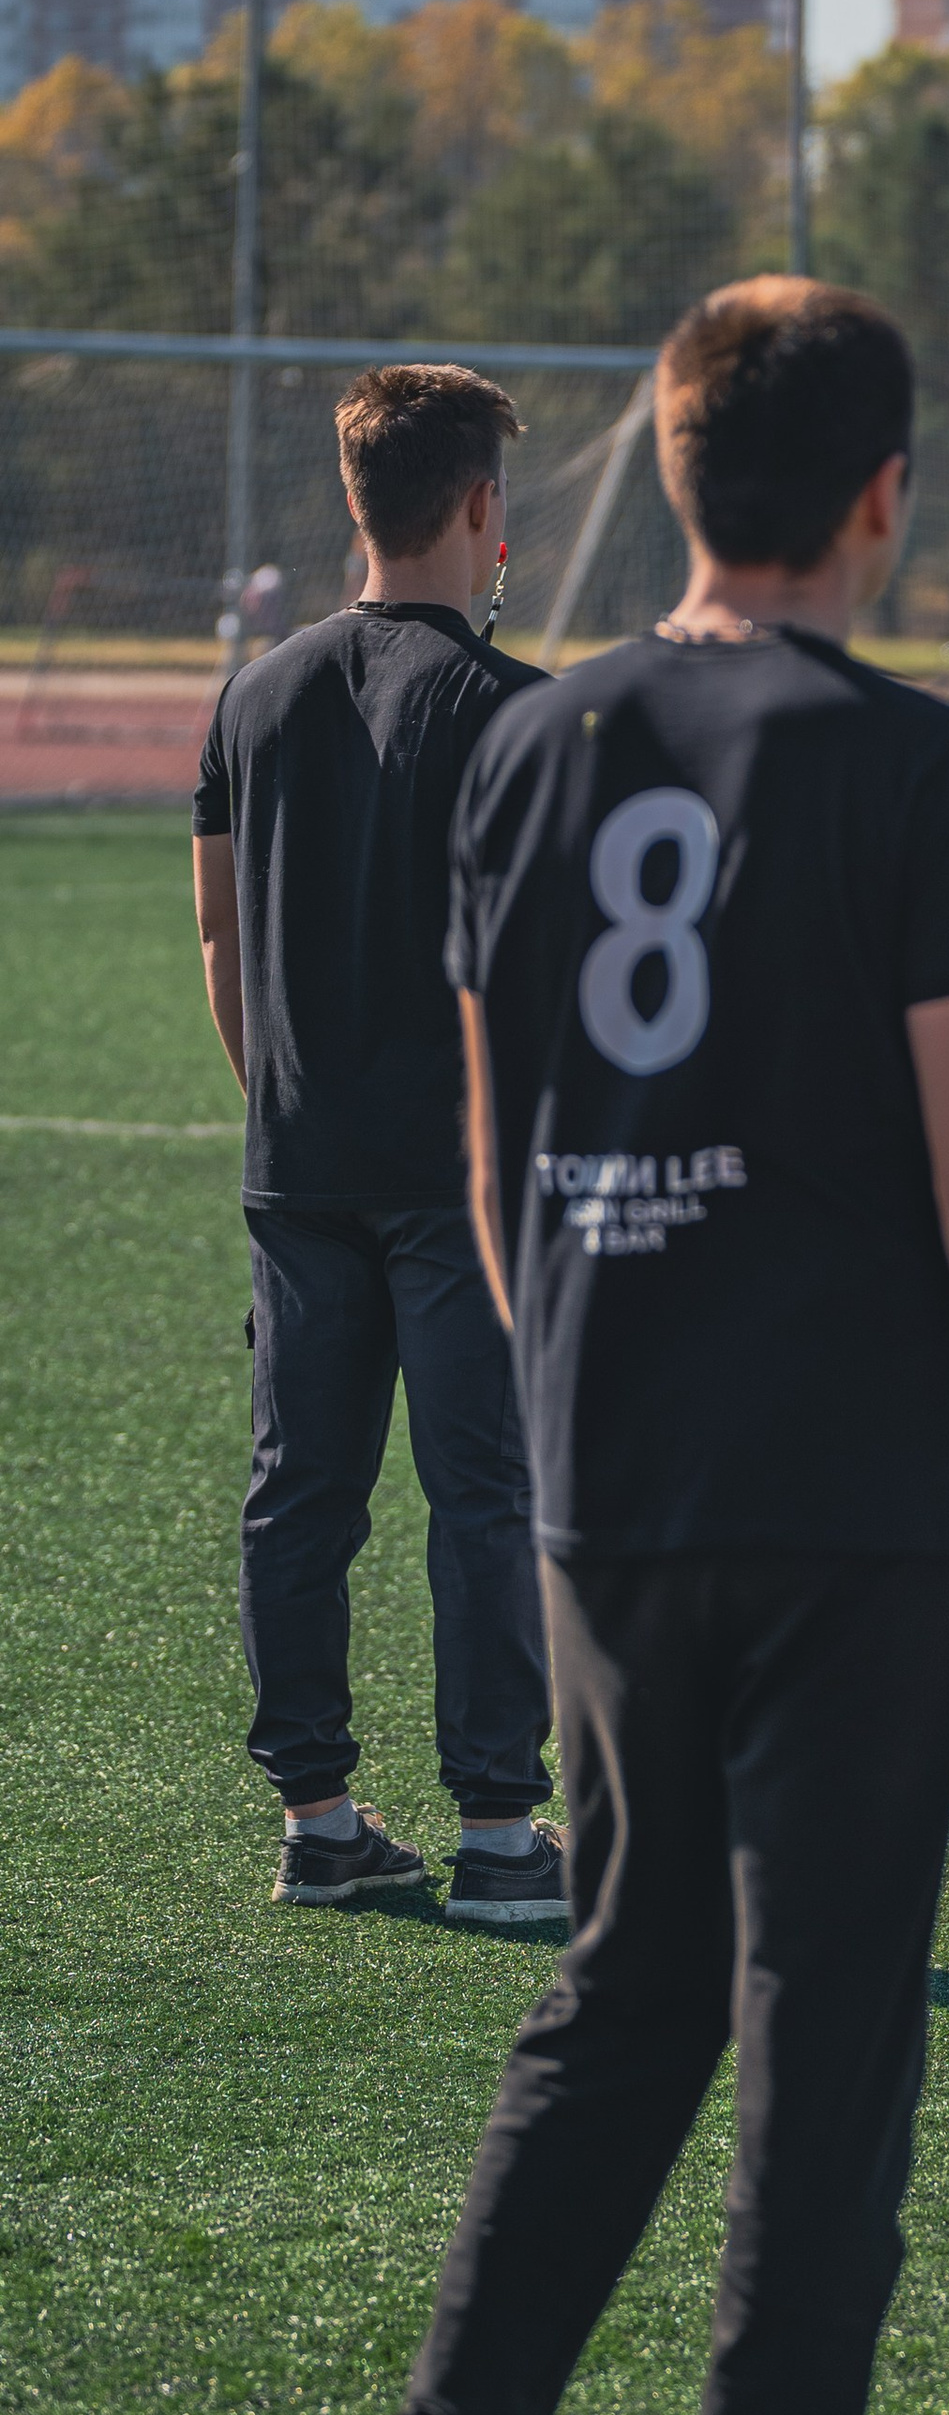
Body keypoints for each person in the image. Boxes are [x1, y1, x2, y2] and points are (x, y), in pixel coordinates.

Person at [324, 277, 949, 2415]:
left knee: (619, 1980)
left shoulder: (525, 738)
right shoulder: (906, 766)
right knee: (822, 2047)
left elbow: (499, 1148)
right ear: (882, 496)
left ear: (669, 479)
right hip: (855, 1500)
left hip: (606, 1468)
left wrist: (577, 1394)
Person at [192, 363, 560, 1927]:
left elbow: (217, 928)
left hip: (300, 1158)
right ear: (481, 509)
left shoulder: (253, 692)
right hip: (462, 1177)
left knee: (301, 1493)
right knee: (482, 1496)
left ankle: (320, 1819)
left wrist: (278, 1094)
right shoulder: (519, 708)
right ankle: (497, 1835)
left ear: (354, 500)